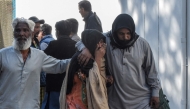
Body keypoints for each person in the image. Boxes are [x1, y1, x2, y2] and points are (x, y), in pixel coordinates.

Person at [76, 14, 162, 109]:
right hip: (115, 103)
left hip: (142, 102)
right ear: (115, 32)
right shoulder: (106, 40)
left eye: (128, 33)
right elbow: (80, 42)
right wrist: (84, 49)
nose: (125, 37)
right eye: (121, 34)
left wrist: (155, 93)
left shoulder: (142, 44)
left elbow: (152, 71)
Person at [0, 17, 70, 109]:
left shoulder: (39, 55)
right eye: (18, 30)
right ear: (14, 33)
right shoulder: (3, 54)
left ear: (31, 33)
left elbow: (60, 66)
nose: (21, 34)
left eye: (25, 30)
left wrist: (82, 54)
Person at [59, 29, 109, 109]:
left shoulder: (99, 58)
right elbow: (94, 83)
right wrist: (97, 59)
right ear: (90, 43)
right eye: (99, 42)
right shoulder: (82, 59)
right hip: (76, 104)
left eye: (102, 42)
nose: (101, 45)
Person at [41, 20, 76, 109]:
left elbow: (42, 60)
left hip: (53, 87)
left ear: (58, 31)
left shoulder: (53, 44)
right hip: (70, 87)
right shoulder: (76, 46)